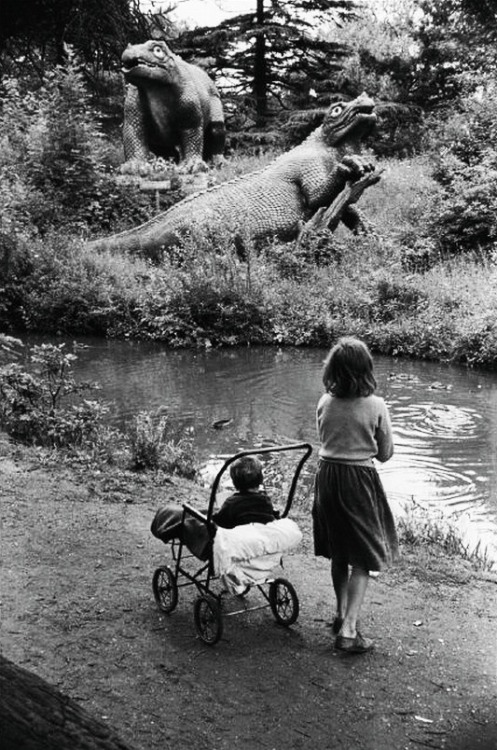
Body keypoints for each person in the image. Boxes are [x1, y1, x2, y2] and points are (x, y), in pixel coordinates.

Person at [312, 336, 398, 654]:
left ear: (333, 369)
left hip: (327, 477)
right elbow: (386, 454)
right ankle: (349, 630)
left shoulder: (324, 401)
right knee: (363, 556)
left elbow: (326, 437)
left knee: (339, 552)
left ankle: (339, 613)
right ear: (366, 371)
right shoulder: (376, 405)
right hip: (358, 480)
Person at [213, 455, 279, 528]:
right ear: (260, 479)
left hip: (241, 536)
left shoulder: (231, 503)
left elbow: (219, 522)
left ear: (234, 482)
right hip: (262, 534)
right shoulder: (265, 500)